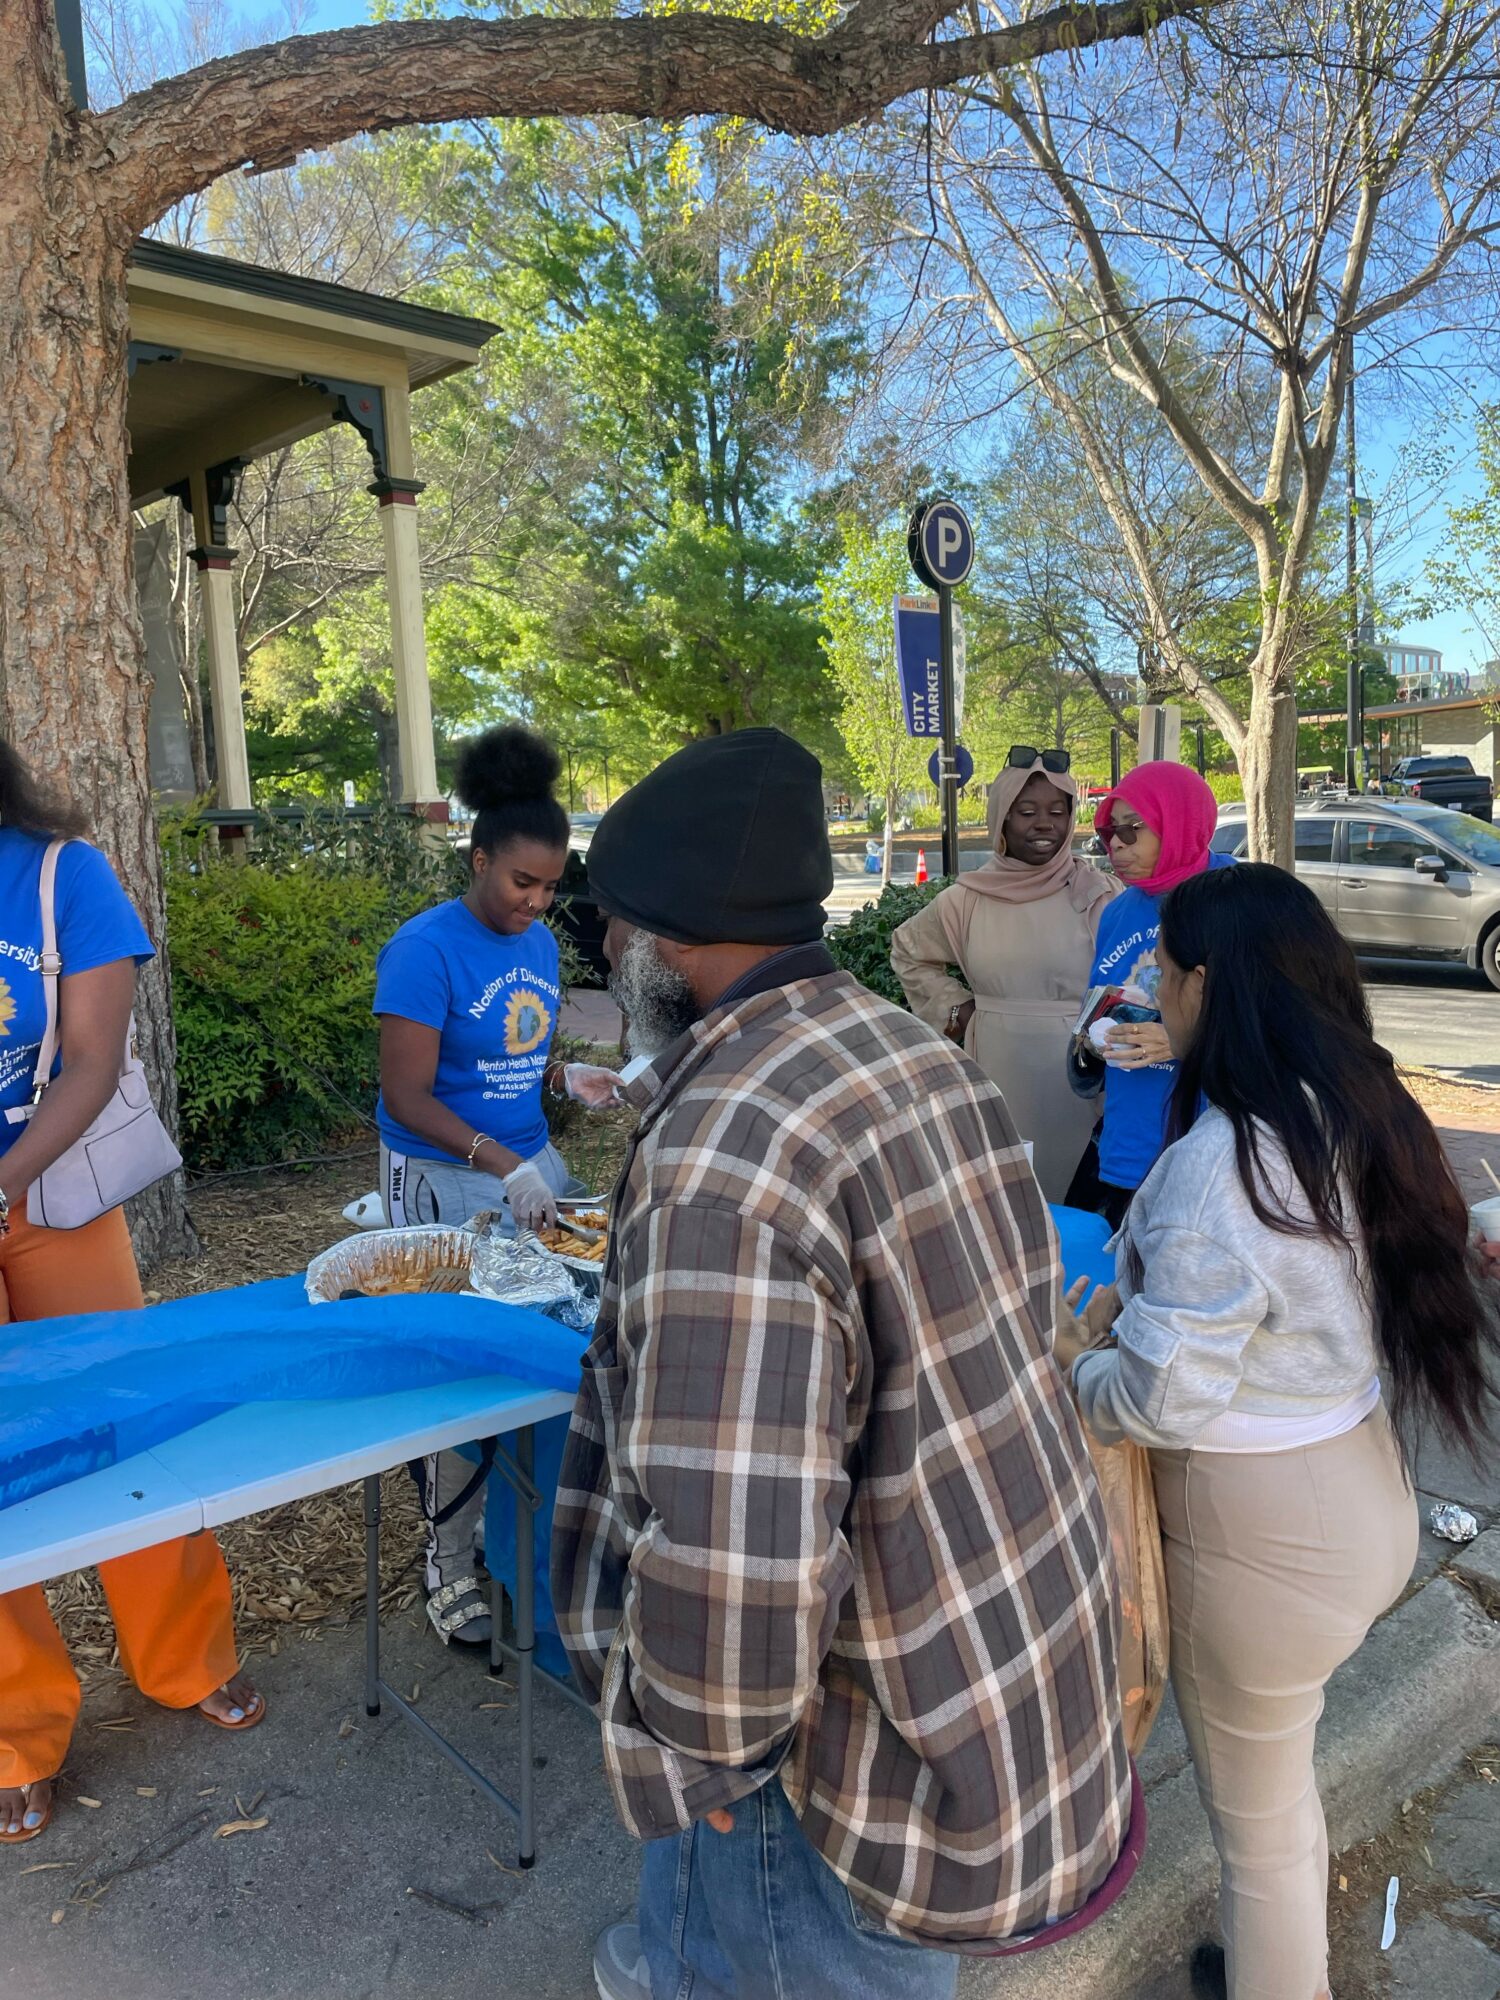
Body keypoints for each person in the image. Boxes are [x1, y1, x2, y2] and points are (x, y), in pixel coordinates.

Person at [551, 728, 1135, 2000]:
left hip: (853, 1759)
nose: (604, 950)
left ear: (669, 937)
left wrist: (697, 1755)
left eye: (615, 925)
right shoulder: (921, 1059)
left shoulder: (727, 1161)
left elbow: (736, 1541)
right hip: (999, 1676)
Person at [1069, 864, 1498, 2000]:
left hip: (1256, 1534)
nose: (1151, 989)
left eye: (1162, 970)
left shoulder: (1223, 1164)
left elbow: (1162, 1399)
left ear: (1208, 984)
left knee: (1253, 1819)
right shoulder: (1358, 1109)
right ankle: (1282, 1956)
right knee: (1278, 1785)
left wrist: (1076, 1367)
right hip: (1363, 1494)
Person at [0, 740, 261, 1846]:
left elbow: (93, 1060)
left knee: (127, 1433)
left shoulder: (62, 875)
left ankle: (185, 1656)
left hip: (52, 1192)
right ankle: (14, 1732)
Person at [374, 724, 619, 1648]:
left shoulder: (539, 947)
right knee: (457, 1370)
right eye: (522, 882)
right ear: (478, 859)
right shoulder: (424, 949)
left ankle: (534, 1539)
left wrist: (564, 1079)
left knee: (550, 1348)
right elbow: (405, 1092)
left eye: (553, 886)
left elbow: (519, 1049)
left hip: (523, 1170)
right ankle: (448, 1563)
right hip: (445, 1177)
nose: (537, 901)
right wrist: (501, 1164)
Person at [890, 747, 1116, 1200]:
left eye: (1057, 811)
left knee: (1079, 1202)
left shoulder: (1100, 893)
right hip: (996, 1067)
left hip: (1082, 1076)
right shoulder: (966, 899)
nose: (1044, 824)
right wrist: (961, 1013)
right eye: (1026, 811)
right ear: (1001, 820)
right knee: (1002, 1197)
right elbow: (908, 950)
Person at [1066, 760, 1231, 1225]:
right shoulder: (1118, 912)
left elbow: (1276, 1016)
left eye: (1133, 829)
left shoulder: (1236, 898)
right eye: (1109, 832)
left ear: (1177, 823)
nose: (1116, 843)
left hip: (1212, 1143)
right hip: (1130, 1140)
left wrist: (1183, 1039)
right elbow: (1100, 1002)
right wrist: (1094, 1038)